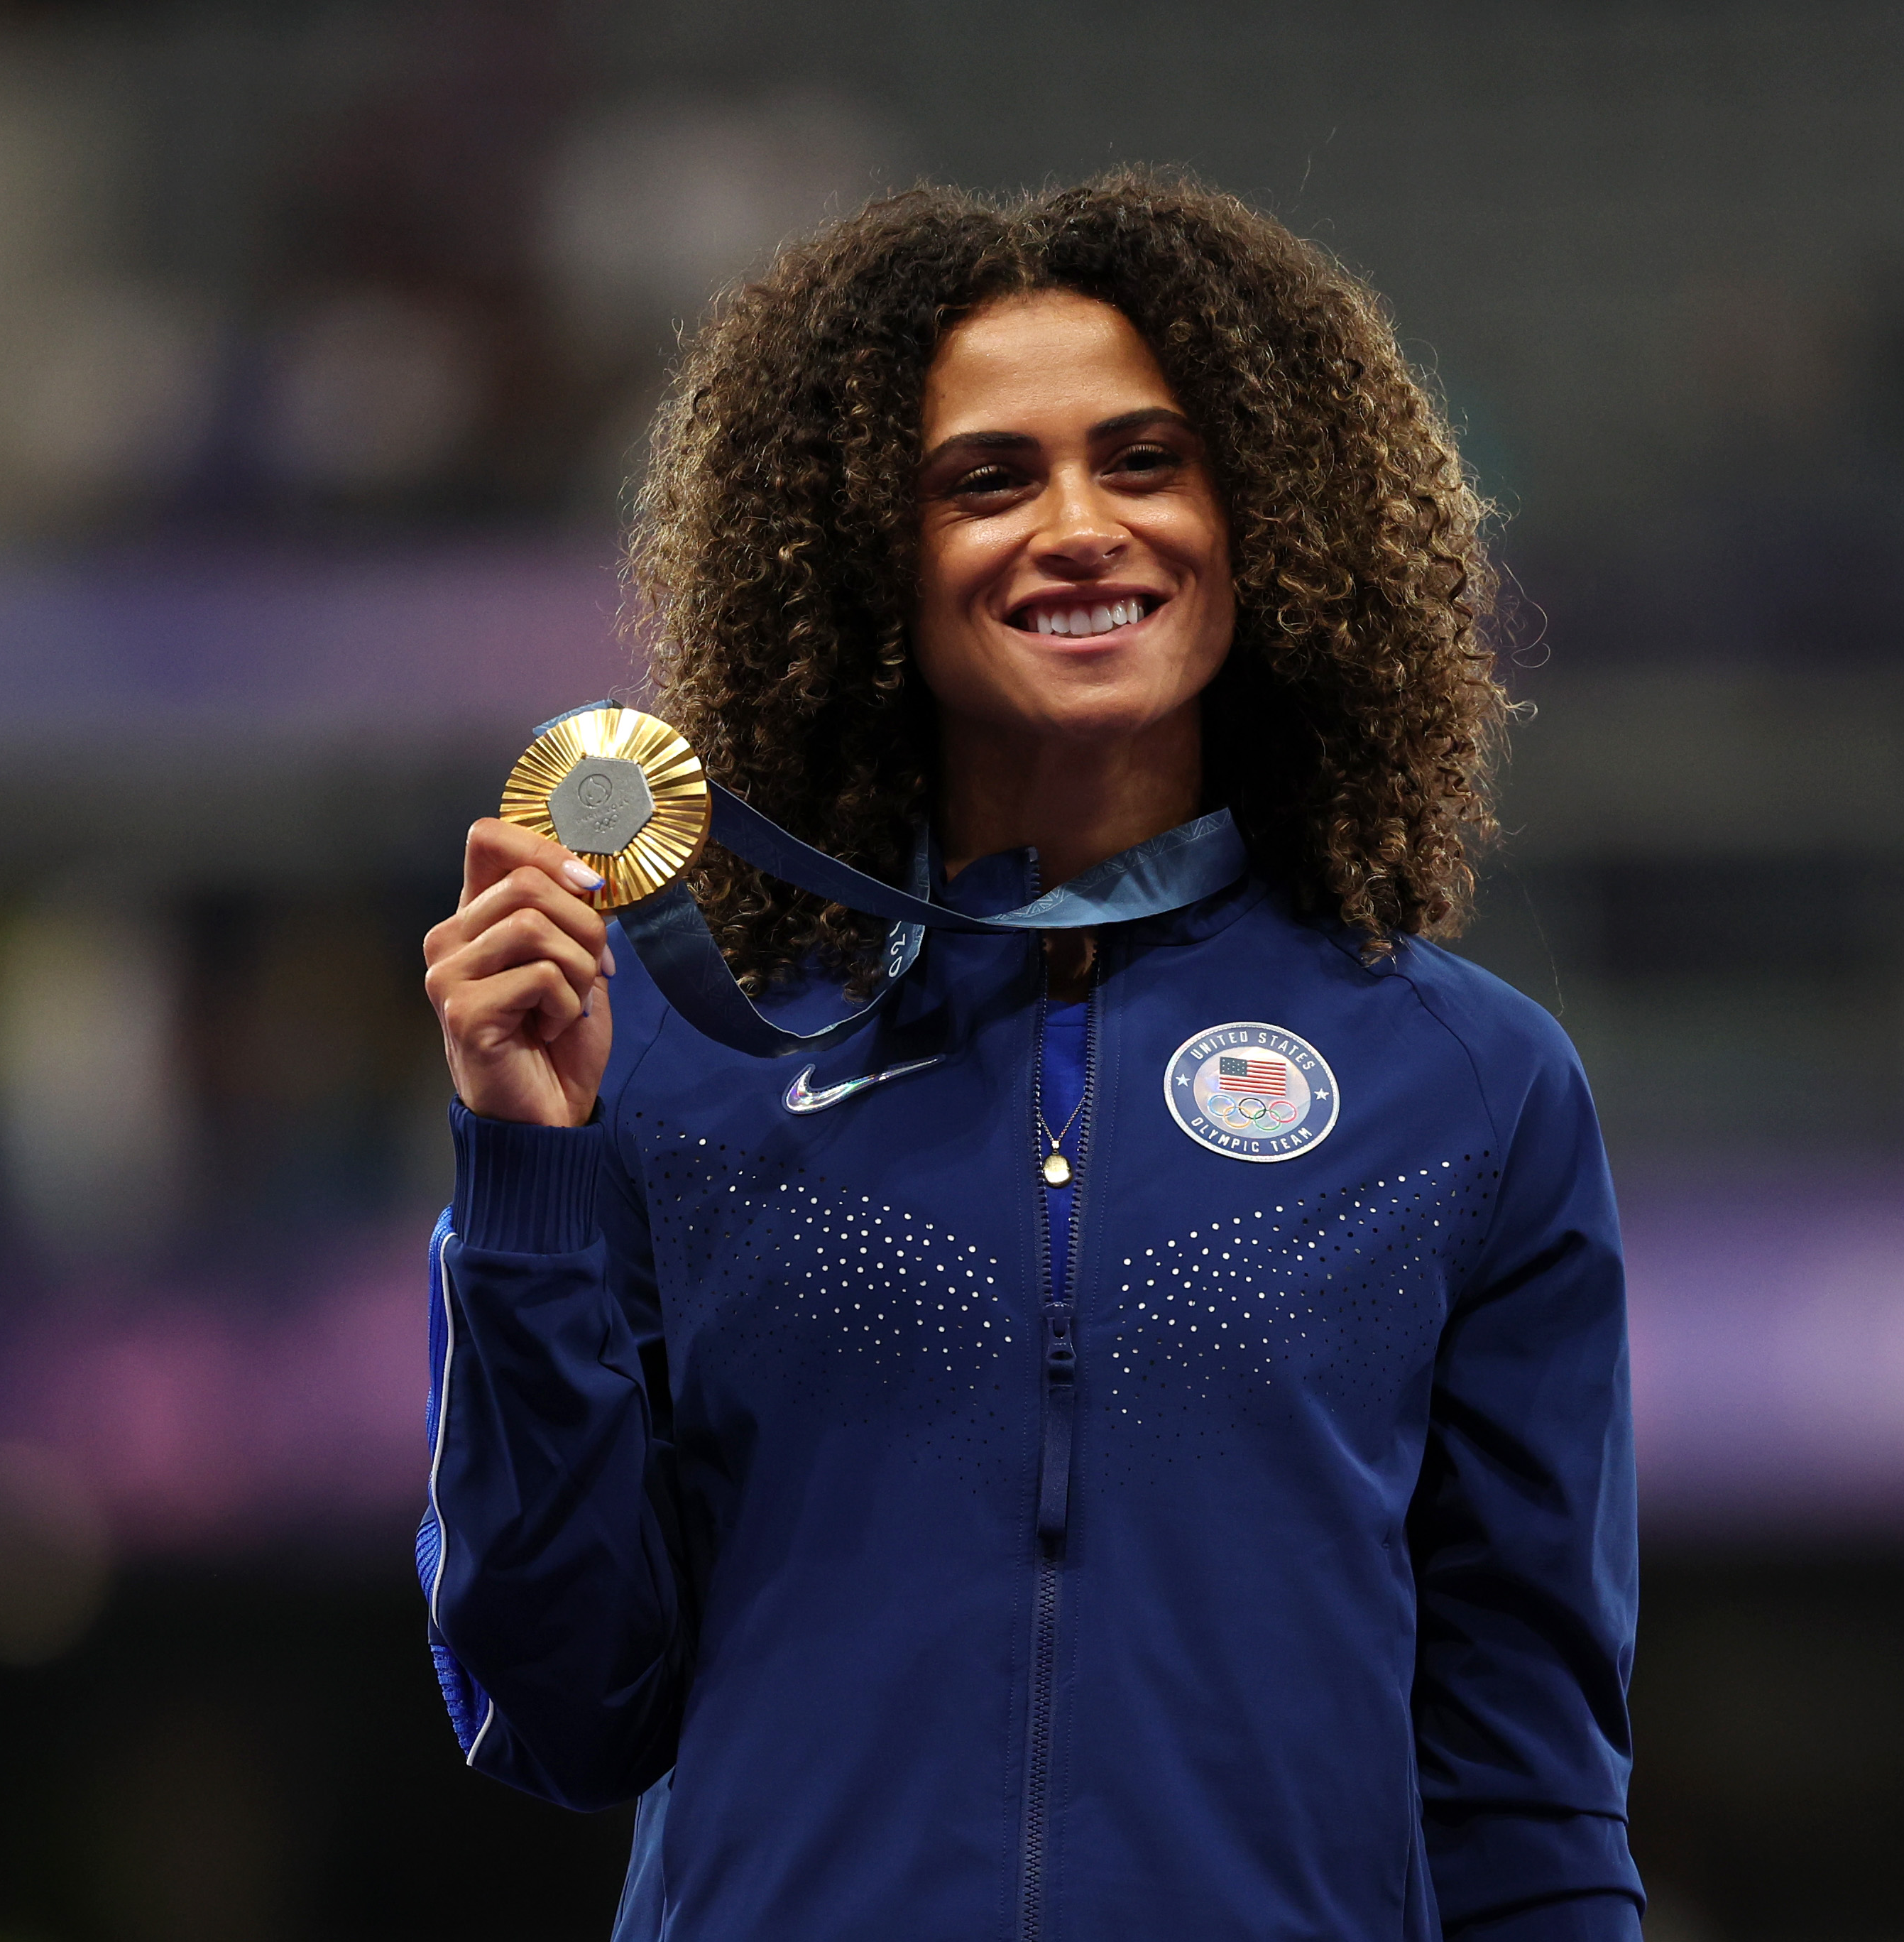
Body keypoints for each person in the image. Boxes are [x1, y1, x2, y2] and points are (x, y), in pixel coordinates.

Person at [417, 170, 1641, 1941]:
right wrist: (525, 1172)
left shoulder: (1467, 1088)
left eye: (1145, 461)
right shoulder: (663, 1065)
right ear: (861, 557)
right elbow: (557, 1706)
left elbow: (1526, 1786)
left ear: (1262, 518)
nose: (1080, 526)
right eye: (987, 479)